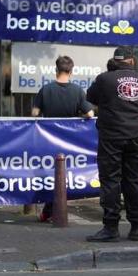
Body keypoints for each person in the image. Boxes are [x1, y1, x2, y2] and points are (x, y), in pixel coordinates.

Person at [86, 46, 138, 242]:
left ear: (115, 60)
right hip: (137, 135)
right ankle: (136, 227)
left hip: (112, 137)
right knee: (133, 180)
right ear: (131, 61)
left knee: (111, 181)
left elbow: (90, 98)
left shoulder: (104, 79)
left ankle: (111, 227)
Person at [32, 56, 94, 222]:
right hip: (69, 141)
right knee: (66, 176)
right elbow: (90, 114)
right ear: (71, 71)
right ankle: (52, 211)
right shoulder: (78, 91)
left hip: (48, 140)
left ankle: (49, 211)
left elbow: (35, 114)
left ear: (56, 70)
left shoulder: (45, 89)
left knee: (48, 175)